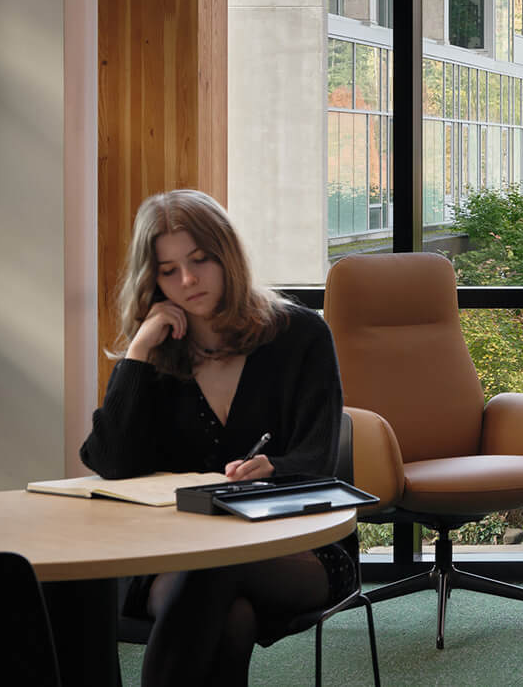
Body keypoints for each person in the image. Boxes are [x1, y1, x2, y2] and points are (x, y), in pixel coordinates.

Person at [80, 190, 348, 687]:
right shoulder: (159, 355)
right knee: (229, 613)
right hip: (176, 553)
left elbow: (320, 458)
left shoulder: (301, 335)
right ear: (152, 279)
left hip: (292, 548)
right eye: (167, 270)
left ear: (227, 254)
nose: (187, 280)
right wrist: (137, 351)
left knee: (216, 567)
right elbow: (112, 460)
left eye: (200, 260)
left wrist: (277, 468)